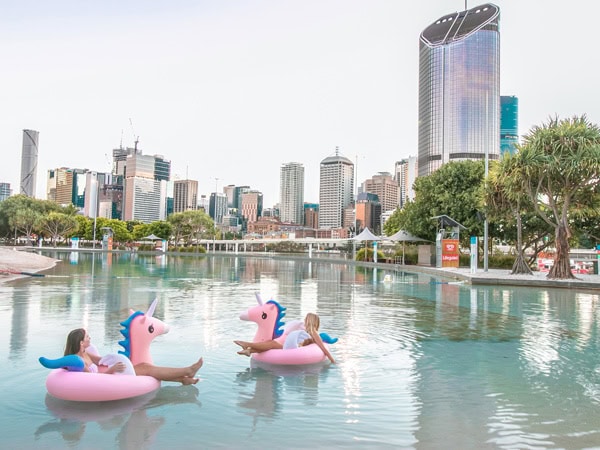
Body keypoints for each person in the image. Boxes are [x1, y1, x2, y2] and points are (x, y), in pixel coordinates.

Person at [64, 328, 203, 385]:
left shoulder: (86, 353)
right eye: (87, 337)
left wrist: (121, 359)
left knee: (144, 366)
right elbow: (93, 380)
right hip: (108, 379)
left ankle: (182, 379)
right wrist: (113, 369)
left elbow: (102, 360)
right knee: (147, 369)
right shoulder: (79, 361)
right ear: (81, 342)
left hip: (110, 373)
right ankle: (187, 371)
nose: (90, 338)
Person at [234, 313, 336, 364]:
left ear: (310, 321)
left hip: (291, 349)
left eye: (306, 319)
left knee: (272, 344)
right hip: (290, 347)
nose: (305, 321)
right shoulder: (306, 330)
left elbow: (322, 348)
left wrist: (332, 361)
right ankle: (250, 350)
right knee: (271, 344)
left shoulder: (313, 332)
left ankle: (247, 344)